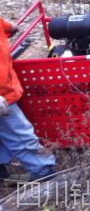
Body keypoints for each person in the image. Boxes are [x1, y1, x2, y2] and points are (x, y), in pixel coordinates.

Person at [0, 17, 57, 181]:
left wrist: (12, 26)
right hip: (3, 99)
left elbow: (10, 27)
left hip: (6, 91)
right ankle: (44, 173)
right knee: (20, 135)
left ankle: (2, 172)